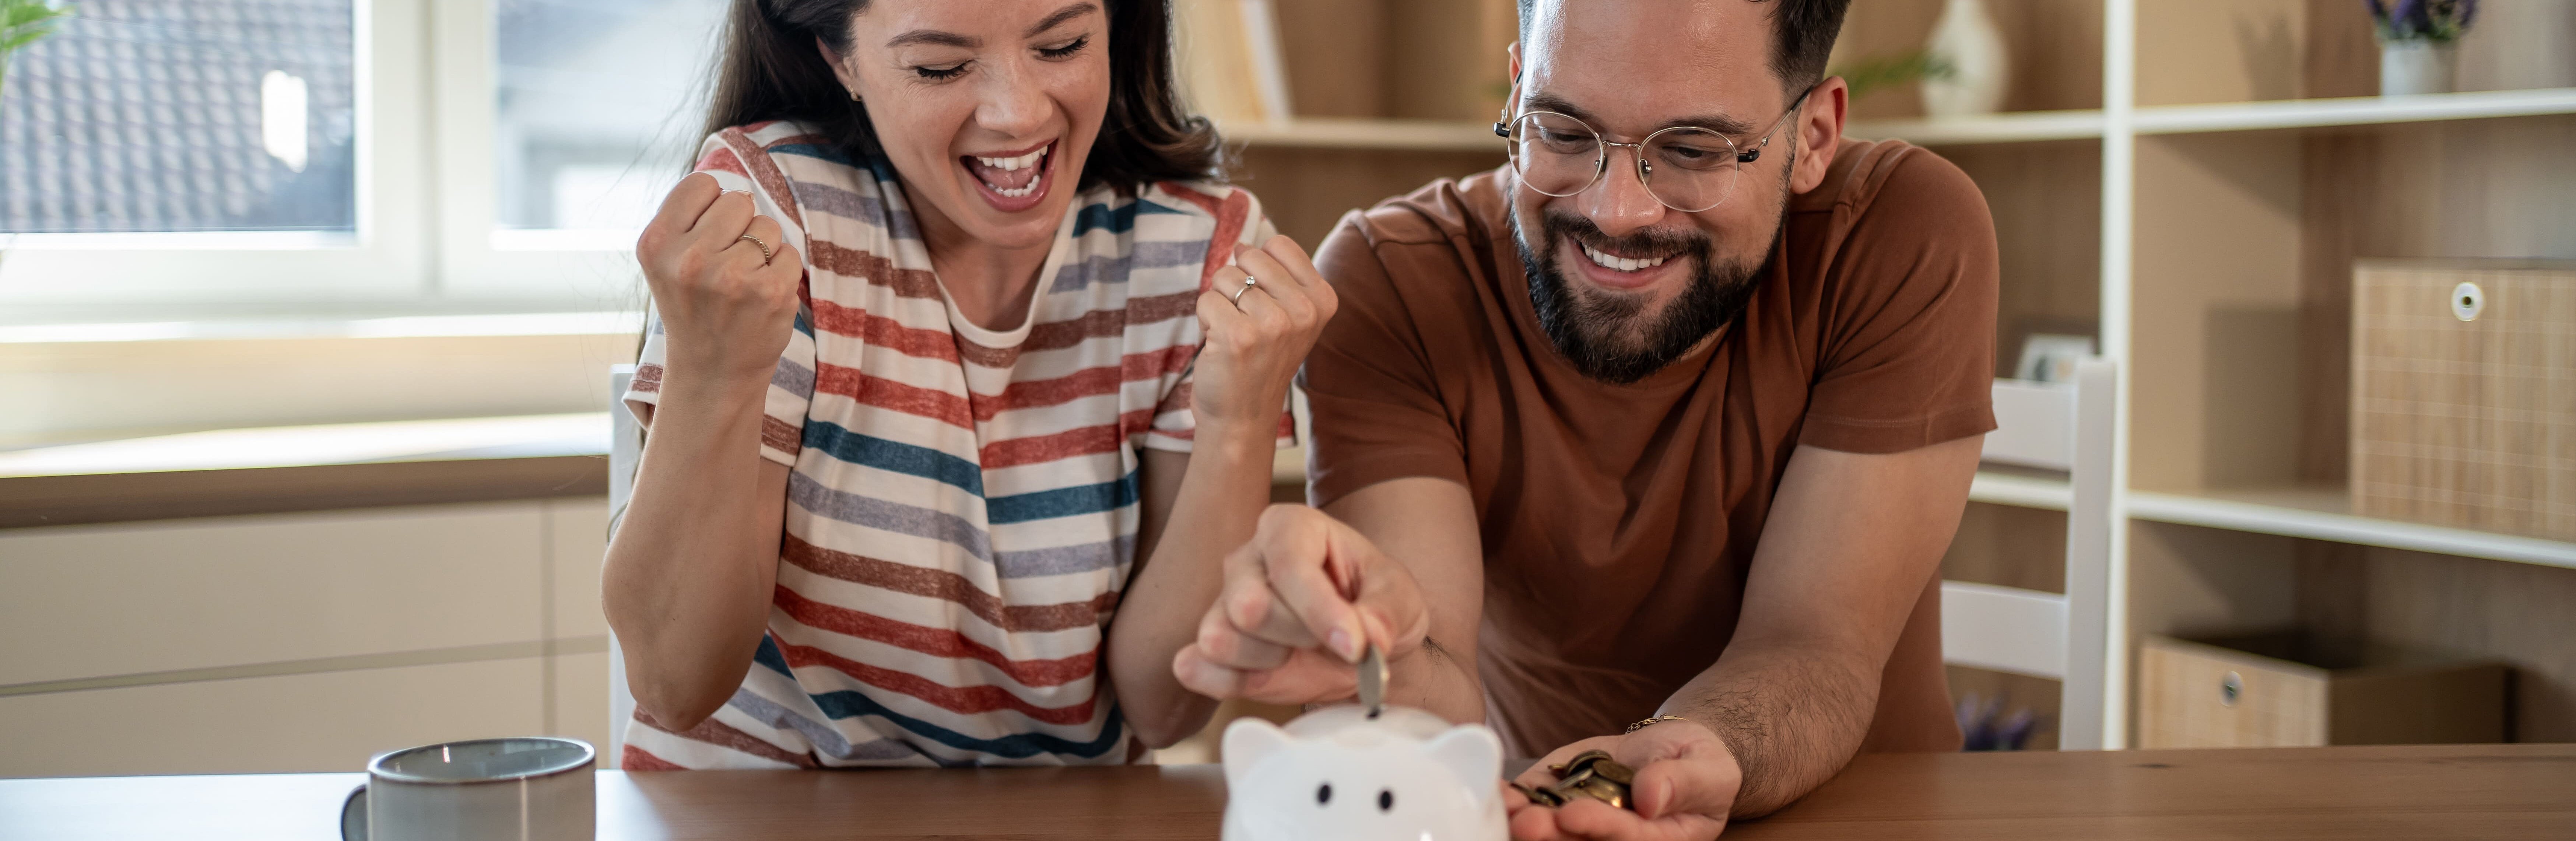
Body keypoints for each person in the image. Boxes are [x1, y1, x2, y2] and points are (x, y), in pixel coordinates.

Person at [1173, 0, 1998, 837]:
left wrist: (1678, 759)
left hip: (1866, 816)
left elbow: (1814, 642)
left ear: (1814, 136)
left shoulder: (1901, 233)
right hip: (1554, 818)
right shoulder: (1395, 283)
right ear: (1518, 88)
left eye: (1690, 150)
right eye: (1563, 132)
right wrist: (1372, 661)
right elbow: (1442, 683)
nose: (1616, 212)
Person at [604, 0, 1335, 768]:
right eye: (941, 66)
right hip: (765, 810)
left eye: (1061, 45)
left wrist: (1240, 418)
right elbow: (672, 682)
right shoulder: (773, 215)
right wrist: (714, 370)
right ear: (840, 58)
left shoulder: (1194, 252)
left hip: (1058, 821)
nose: (1017, 113)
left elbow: (1163, 706)